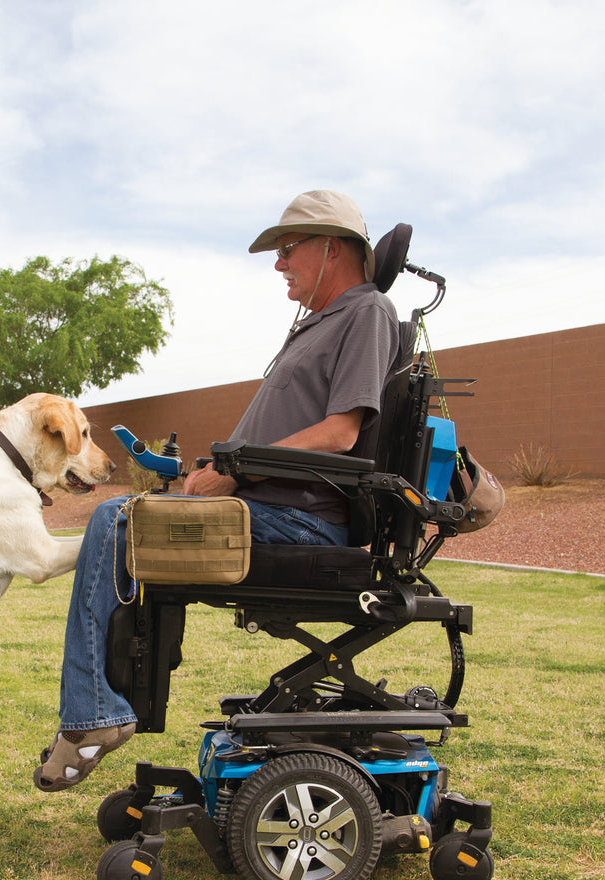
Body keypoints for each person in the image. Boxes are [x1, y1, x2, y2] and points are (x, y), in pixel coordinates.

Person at [35, 190, 402, 792]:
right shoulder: (322, 322)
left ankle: (93, 716)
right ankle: (102, 707)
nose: (279, 263)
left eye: (288, 249)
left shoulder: (366, 312)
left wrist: (236, 473)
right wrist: (207, 477)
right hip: (262, 504)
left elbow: (341, 433)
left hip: (299, 520)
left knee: (113, 523)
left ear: (332, 247)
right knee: (126, 522)